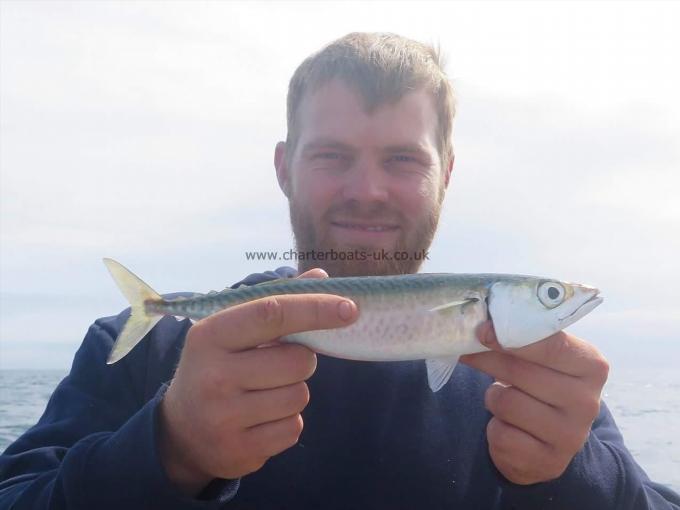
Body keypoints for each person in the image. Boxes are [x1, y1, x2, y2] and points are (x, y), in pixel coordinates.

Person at [1, 32, 678, 510]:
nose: (368, 191)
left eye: (403, 161)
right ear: (282, 168)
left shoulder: (531, 377)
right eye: (330, 156)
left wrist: (577, 475)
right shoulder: (149, 349)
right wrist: (163, 453)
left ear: (448, 176)